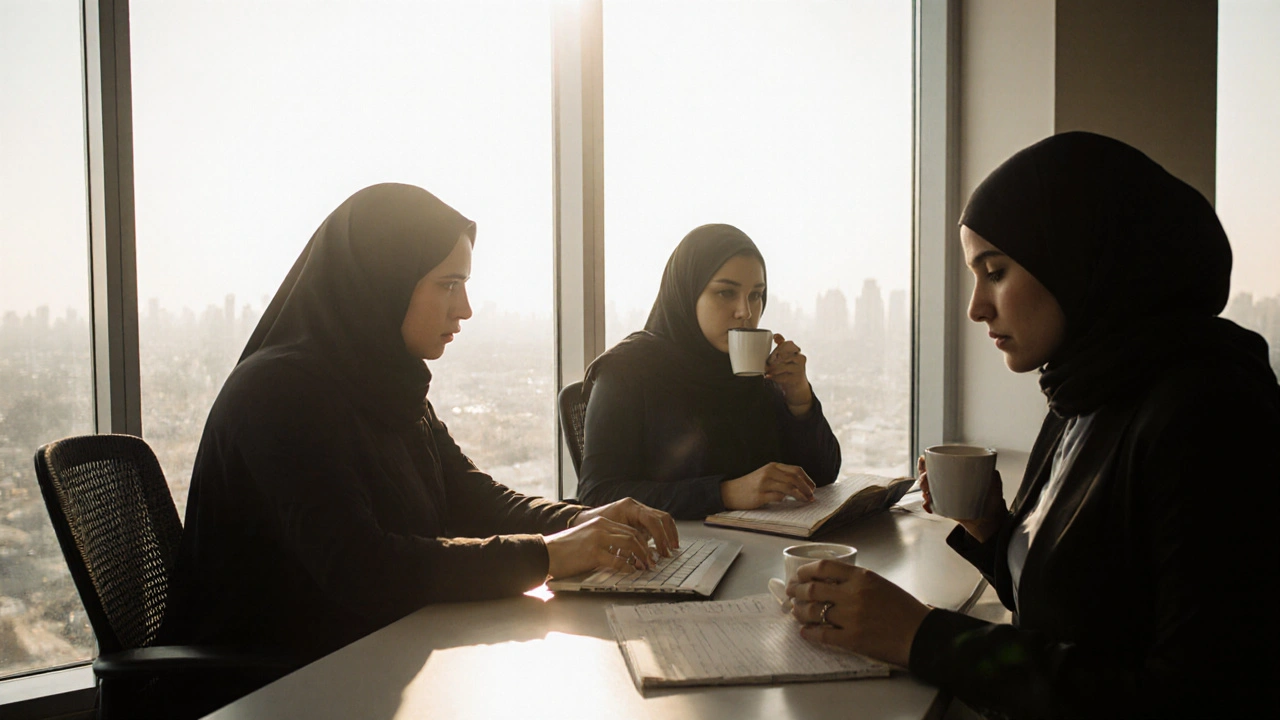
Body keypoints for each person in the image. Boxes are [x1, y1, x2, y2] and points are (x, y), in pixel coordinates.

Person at [784, 132, 1279, 718]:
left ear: (1079, 255)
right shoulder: (1087, 389)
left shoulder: (1211, 413)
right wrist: (992, 527)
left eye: (994, 271)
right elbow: (1079, 609)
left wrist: (922, 636)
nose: (976, 307)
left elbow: (1192, 699)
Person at [160, 184, 677, 672]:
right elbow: (362, 567)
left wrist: (585, 523)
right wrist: (548, 555)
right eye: (448, 285)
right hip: (276, 686)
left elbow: (472, 497)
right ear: (383, 279)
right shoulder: (279, 394)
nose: (466, 309)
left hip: (368, 658)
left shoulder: (385, 381)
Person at [576, 223, 841, 520]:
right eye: (726, 293)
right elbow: (596, 496)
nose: (745, 312)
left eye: (756, 295)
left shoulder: (748, 369)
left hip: (759, 549)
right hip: (671, 557)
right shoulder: (627, 371)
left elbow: (821, 475)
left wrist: (799, 399)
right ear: (688, 294)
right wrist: (725, 494)